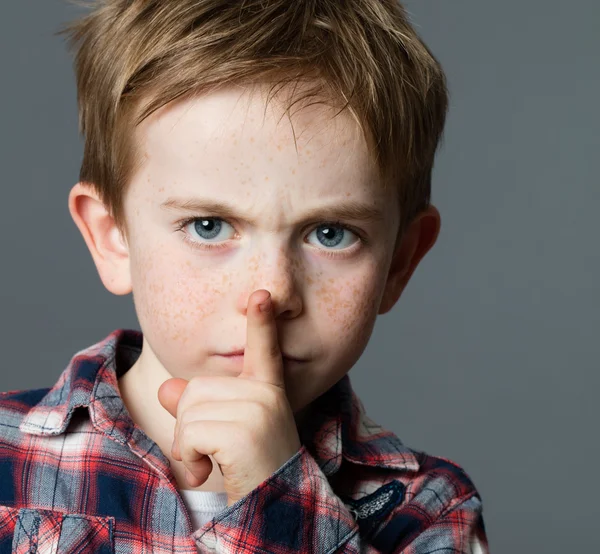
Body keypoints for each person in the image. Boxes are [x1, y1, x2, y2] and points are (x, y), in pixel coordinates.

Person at [0, 0, 490, 552]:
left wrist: (276, 493)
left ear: (400, 261)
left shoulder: (427, 511)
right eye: (209, 226)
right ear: (113, 236)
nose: (271, 291)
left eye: (331, 233)